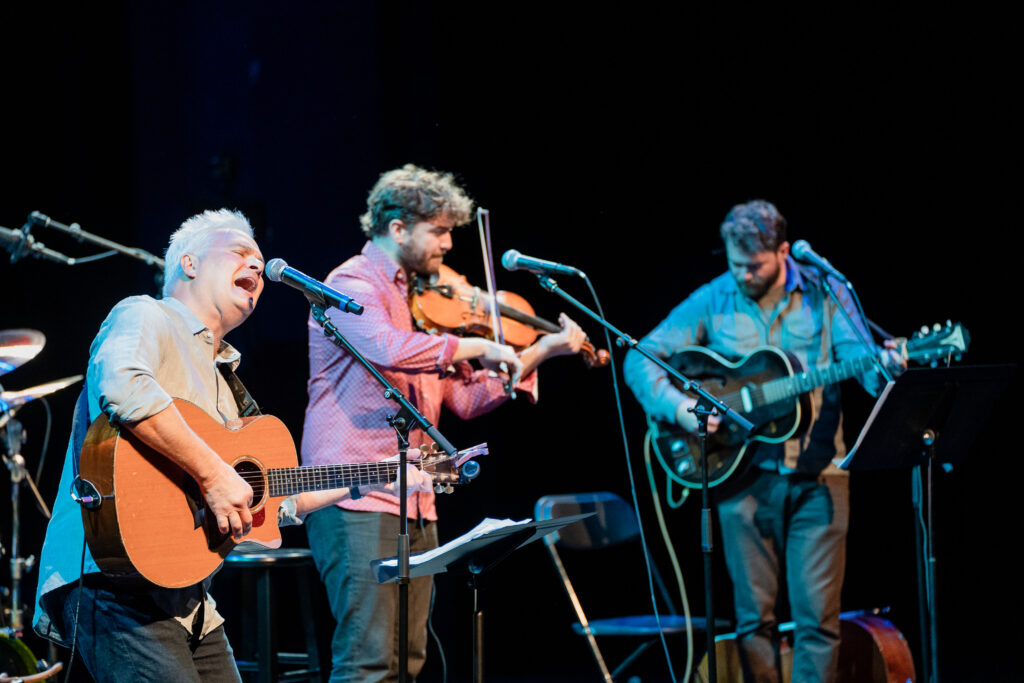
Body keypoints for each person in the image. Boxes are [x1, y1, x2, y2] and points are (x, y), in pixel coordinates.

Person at [32, 209, 431, 682]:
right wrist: (214, 473)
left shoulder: (227, 384)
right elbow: (123, 386)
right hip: (113, 579)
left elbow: (274, 503)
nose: (257, 268)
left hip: (190, 600)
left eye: (260, 262)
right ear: (190, 263)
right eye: (240, 252)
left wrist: (374, 474)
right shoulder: (143, 314)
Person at [302, 164, 586, 682]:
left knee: (408, 661)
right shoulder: (350, 283)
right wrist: (478, 344)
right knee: (368, 662)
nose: (450, 244)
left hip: (416, 497)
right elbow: (387, 347)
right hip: (353, 496)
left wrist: (539, 351)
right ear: (397, 229)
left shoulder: (422, 303)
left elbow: (464, 400)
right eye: (438, 230)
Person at [623, 200, 903, 683]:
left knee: (818, 620)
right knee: (753, 620)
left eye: (755, 265)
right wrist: (679, 409)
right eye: (735, 265)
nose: (744, 275)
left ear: (783, 251)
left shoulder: (827, 291)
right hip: (740, 480)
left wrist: (888, 369)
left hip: (819, 477)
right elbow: (639, 358)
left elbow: (865, 367)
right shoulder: (715, 296)